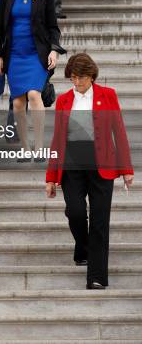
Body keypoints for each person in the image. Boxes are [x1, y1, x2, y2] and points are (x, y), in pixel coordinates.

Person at [46, 53, 134, 289]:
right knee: (75, 212)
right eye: (73, 78)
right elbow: (57, 140)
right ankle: (83, 248)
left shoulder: (108, 95)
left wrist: (126, 169)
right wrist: (51, 176)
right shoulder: (64, 100)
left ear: (92, 76)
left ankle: (96, 276)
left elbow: (120, 133)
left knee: (99, 221)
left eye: (81, 78)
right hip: (72, 166)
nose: (77, 83)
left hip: (102, 166)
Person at [0, 0, 65, 160]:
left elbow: (53, 28)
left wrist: (54, 50)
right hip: (14, 56)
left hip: (37, 55)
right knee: (17, 103)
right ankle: (25, 147)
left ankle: (40, 146)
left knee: (34, 94)